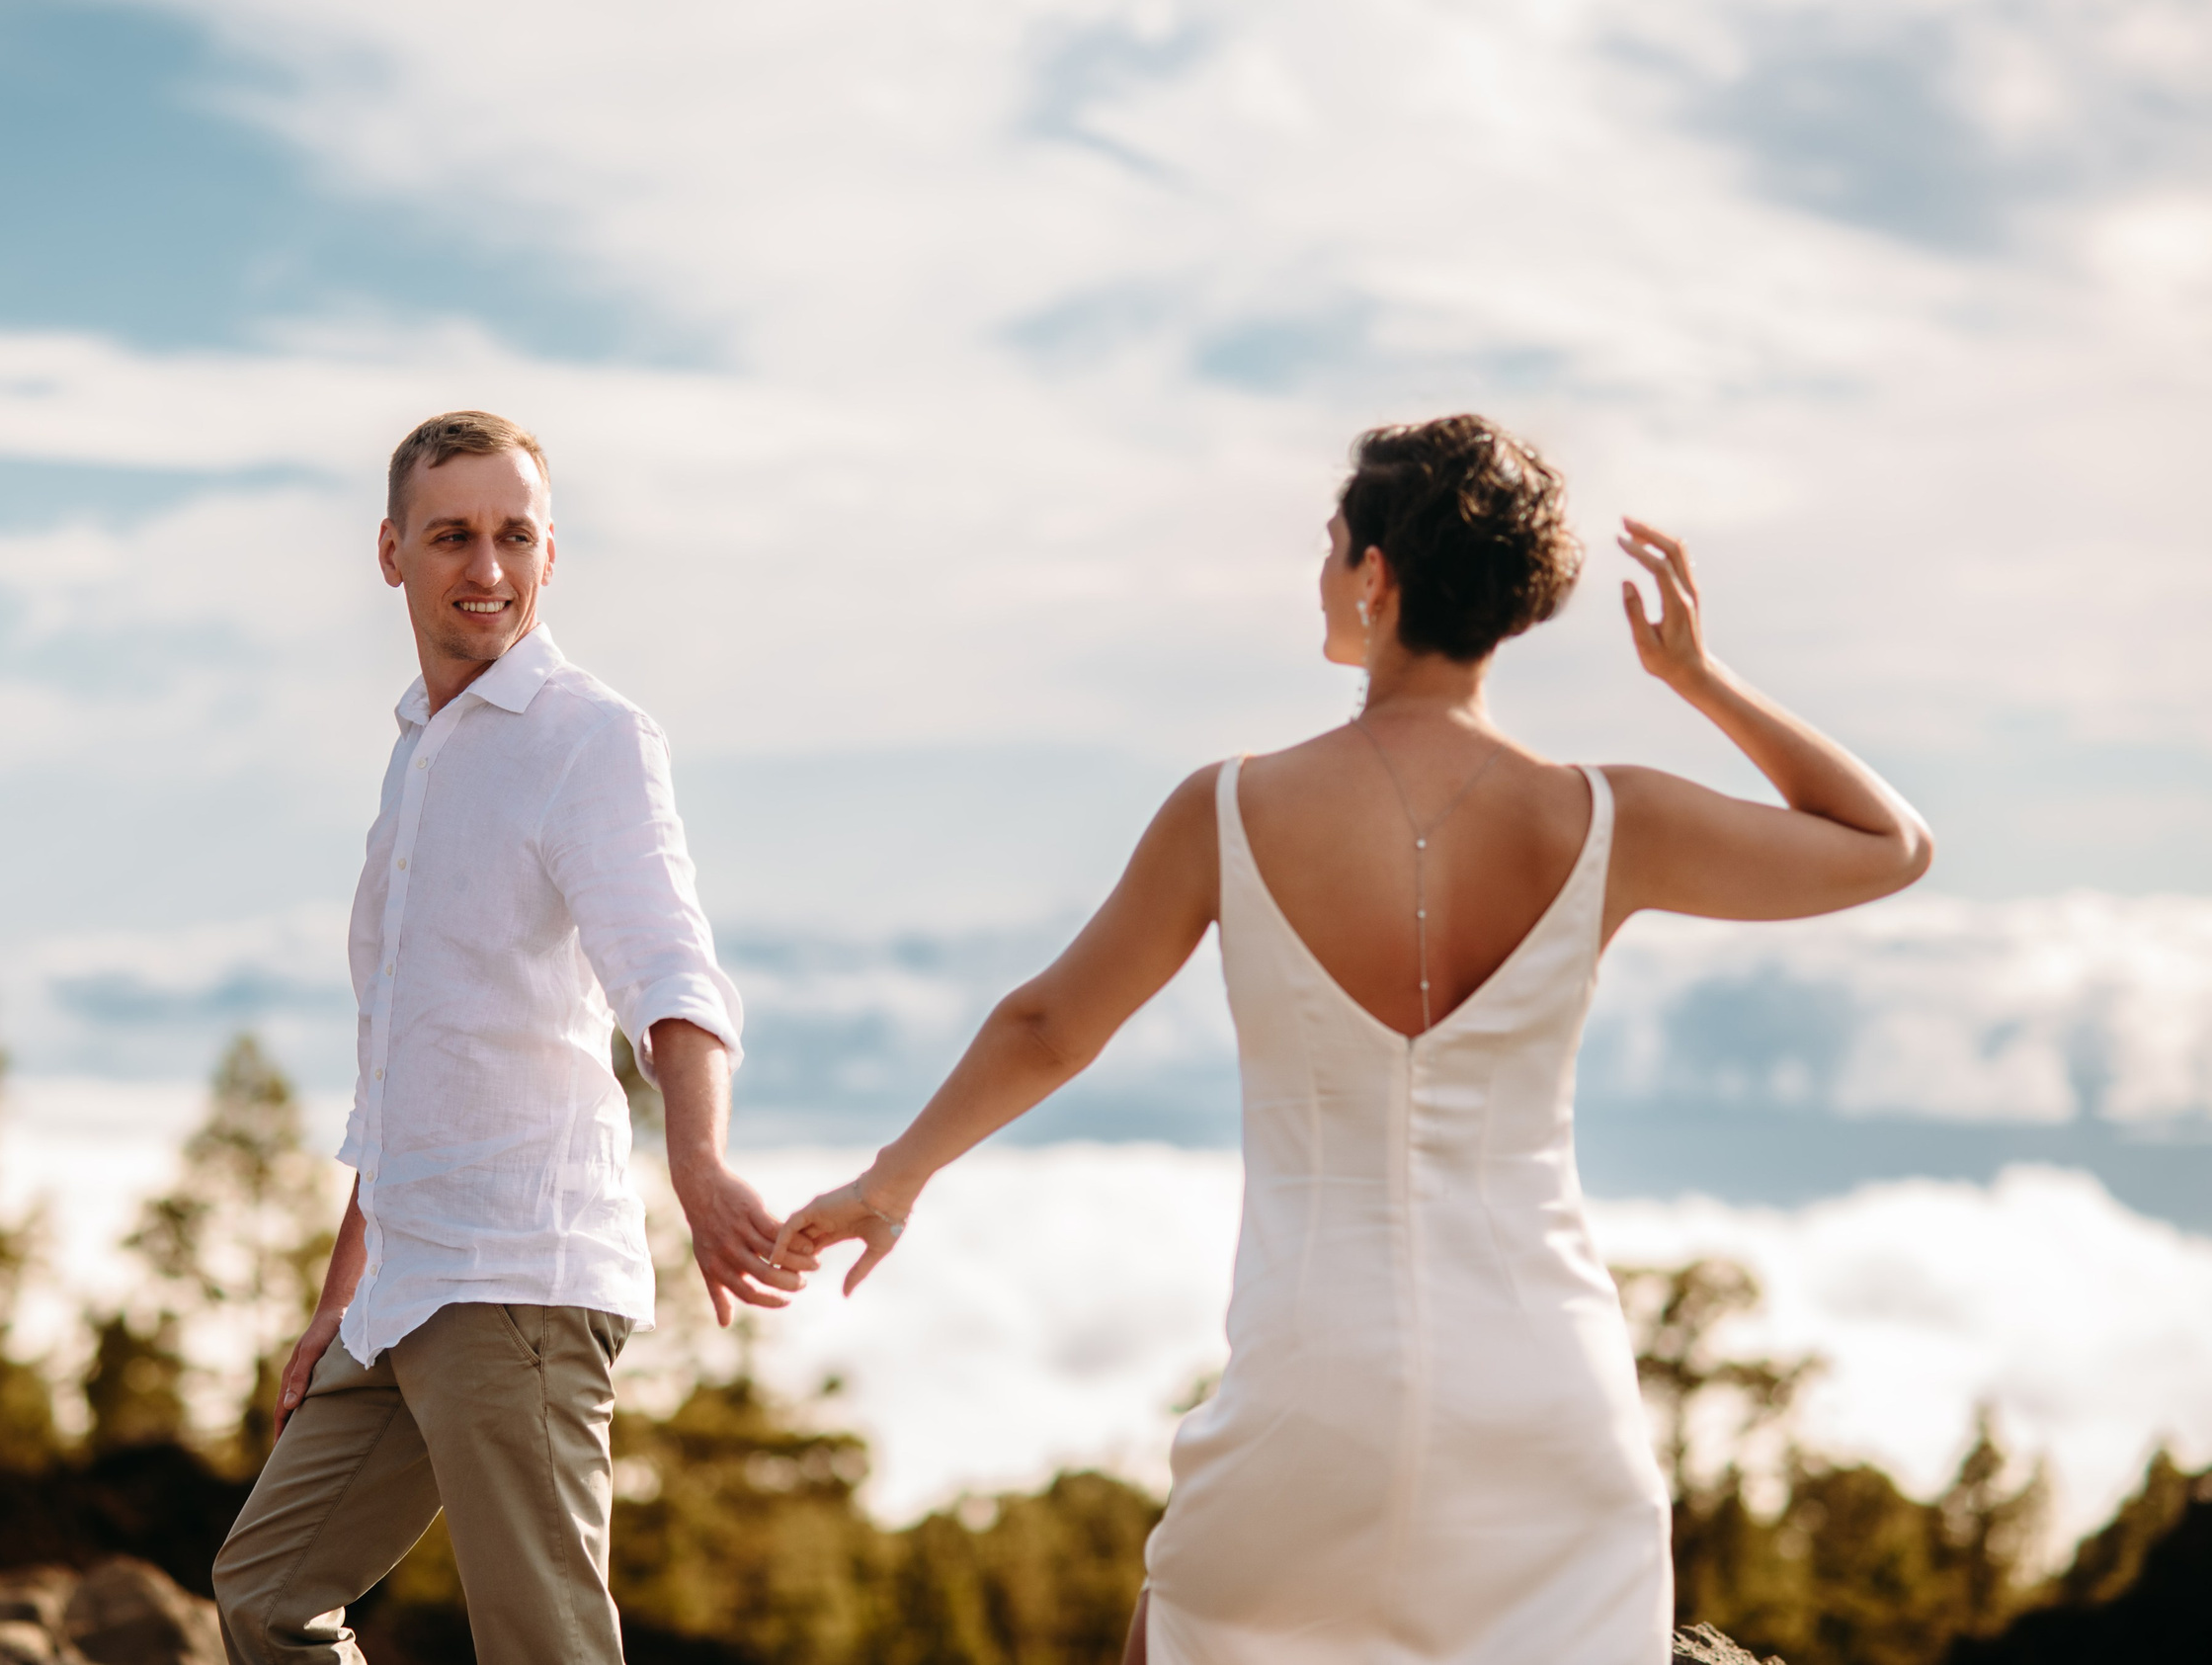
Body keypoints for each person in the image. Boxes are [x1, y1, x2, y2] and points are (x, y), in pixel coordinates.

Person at [775, 415, 1933, 1665]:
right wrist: (1698, 679)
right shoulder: (1607, 819)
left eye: (1332, 546)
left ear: (1375, 576)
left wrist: (891, 1182)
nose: (1323, 571)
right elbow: (1888, 846)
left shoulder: (1227, 807)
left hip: (1307, 1395)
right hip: (1550, 1399)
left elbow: (1049, 1024)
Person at [213, 411, 802, 1665]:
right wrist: (341, 1295)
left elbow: (669, 971)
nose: (486, 568)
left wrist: (697, 1165)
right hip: (406, 1285)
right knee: (267, 1595)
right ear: (391, 553)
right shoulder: (419, 756)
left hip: (520, 1283)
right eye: (452, 536)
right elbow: (409, 1065)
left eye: (514, 536)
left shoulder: (590, 738)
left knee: (546, 1649)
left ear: (551, 555)